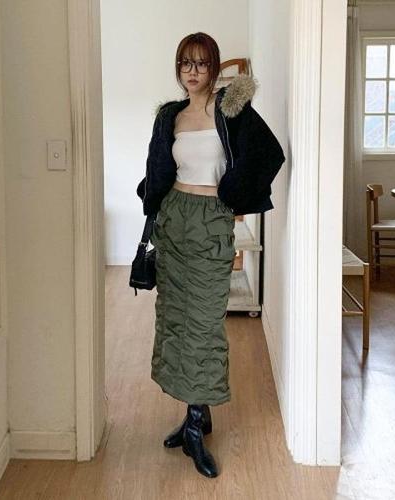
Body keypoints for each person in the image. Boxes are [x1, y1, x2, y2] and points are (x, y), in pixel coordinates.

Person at [136, 32, 286, 478]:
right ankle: (194, 415)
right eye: (186, 63)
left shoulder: (230, 110)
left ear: (214, 68)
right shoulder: (170, 116)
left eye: (201, 63)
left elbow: (269, 155)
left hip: (211, 221)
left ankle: (196, 423)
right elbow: (156, 168)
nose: (193, 71)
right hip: (174, 220)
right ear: (178, 68)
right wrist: (152, 205)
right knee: (177, 319)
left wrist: (231, 194)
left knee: (204, 324)